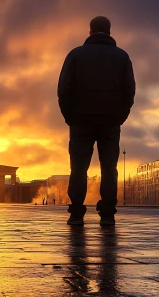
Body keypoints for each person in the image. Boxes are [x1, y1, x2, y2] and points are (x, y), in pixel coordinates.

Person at [58, 15, 136, 226]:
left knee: (78, 167)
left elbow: (63, 89)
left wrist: (70, 117)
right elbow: (130, 91)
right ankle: (108, 213)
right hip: (110, 120)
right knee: (109, 167)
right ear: (110, 32)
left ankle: (76, 212)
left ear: (90, 32)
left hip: (80, 120)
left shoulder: (75, 55)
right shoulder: (122, 57)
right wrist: (120, 116)